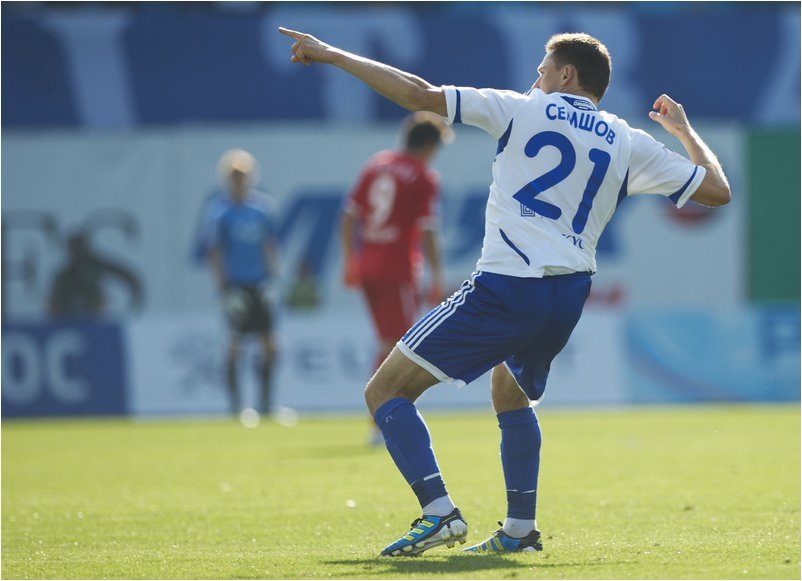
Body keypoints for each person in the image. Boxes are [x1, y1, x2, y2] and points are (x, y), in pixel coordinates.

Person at [278, 27, 731, 556]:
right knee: (510, 392)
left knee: (384, 392)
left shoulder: (520, 109)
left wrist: (333, 54)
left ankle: (439, 513)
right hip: (568, 294)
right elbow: (717, 191)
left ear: (566, 75)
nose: (535, 77)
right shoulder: (627, 140)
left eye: (543, 69)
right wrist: (684, 130)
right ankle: (519, 531)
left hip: (508, 284)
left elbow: (418, 94)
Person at [341, 111, 449, 445]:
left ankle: (384, 418)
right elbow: (427, 230)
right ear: (429, 145)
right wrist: (437, 276)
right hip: (397, 268)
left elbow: (348, 215)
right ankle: (383, 421)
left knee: (388, 342)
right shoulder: (423, 176)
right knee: (400, 347)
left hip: (369, 264)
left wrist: (350, 259)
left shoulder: (377, 164)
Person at [206, 149, 280, 418]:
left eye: (244, 176)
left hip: (259, 283)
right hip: (236, 286)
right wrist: (224, 289)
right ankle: (236, 406)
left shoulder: (262, 209)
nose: (240, 182)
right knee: (235, 344)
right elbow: (215, 253)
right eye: (235, 177)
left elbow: (269, 246)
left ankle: (266, 404)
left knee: (270, 344)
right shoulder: (220, 212)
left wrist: (272, 280)